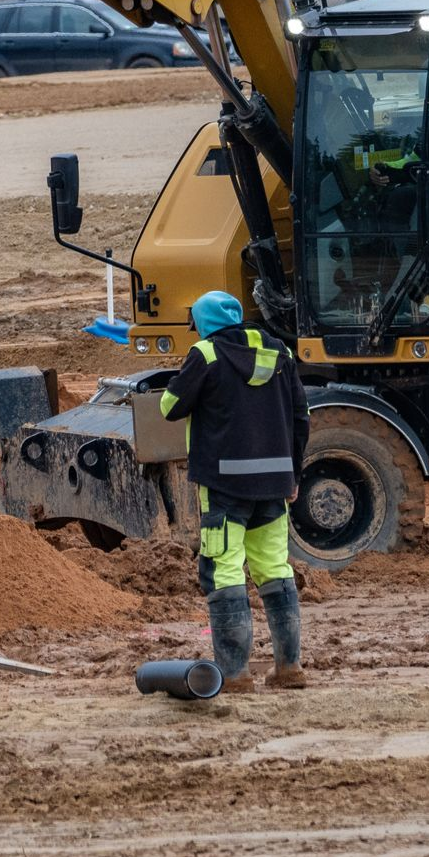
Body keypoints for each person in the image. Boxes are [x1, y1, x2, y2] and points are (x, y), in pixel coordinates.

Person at [159, 291, 310, 692]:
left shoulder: (205, 354)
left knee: (223, 572)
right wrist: (293, 474)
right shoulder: (281, 353)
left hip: (224, 485)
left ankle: (235, 674)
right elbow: (301, 416)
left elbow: (170, 407)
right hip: (276, 483)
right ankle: (289, 668)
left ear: (204, 323)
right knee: (276, 570)